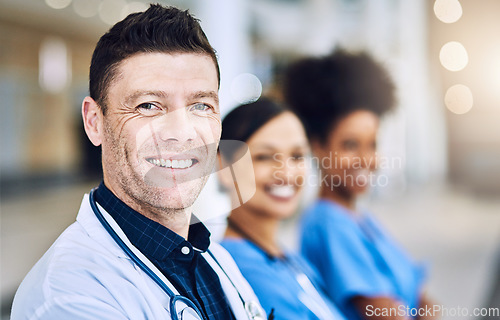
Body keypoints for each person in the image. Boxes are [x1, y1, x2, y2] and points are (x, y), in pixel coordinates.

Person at [11, 5, 267, 320]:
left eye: (201, 105)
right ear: (94, 122)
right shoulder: (70, 295)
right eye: (148, 105)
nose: (181, 133)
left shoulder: (212, 257)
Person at [283, 50, 435, 320]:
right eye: (351, 145)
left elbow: (423, 298)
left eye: (372, 144)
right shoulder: (328, 223)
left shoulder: (360, 218)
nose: (366, 160)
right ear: (318, 147)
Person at [218, 97, 347, 320]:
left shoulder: (284, 255)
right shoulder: (243, 270)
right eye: (265, 157)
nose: (286, 174)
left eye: (297, 156)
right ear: (225, 168)